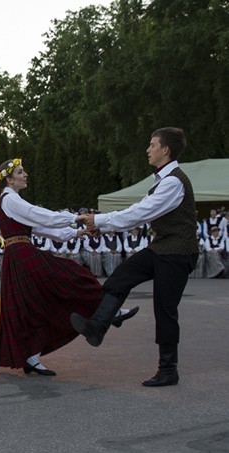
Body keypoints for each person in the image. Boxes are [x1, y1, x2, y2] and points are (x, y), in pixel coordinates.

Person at [0, 158, 138, 376]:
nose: (25, 175)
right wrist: (75, 218)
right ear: (9, 179)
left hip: (19, 255)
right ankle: (109, 311)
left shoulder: (10, 200)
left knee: (36, 305)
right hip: (22, 254)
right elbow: (39, 216)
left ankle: (32, 357)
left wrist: (74, 233)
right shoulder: (10, 198)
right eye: (21, 172)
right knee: (72, 276)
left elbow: (38, 226)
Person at [73, 127, 198, 387]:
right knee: (122, 276)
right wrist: (101, 225)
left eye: (152, 145)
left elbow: (141, 212)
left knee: (165, 309)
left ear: (166, 150)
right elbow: (139, 212)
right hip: (163, 247)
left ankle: (168, 369)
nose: (148, 149)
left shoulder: (173, 181)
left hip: (178, 252)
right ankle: (98, 327)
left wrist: (100, 219)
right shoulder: (162, 179)